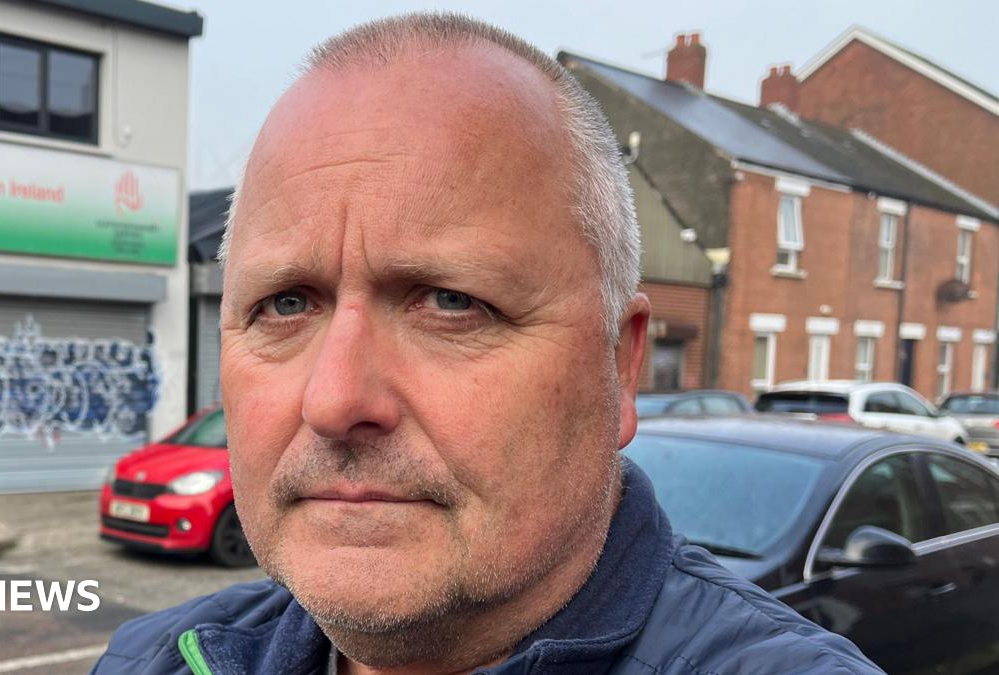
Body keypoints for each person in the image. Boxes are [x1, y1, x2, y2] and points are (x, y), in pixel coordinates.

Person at [92, 12, 882, 675]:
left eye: (451, 302)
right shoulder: (148, 659)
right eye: (285, 303)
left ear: (620, 363)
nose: (333, 400)